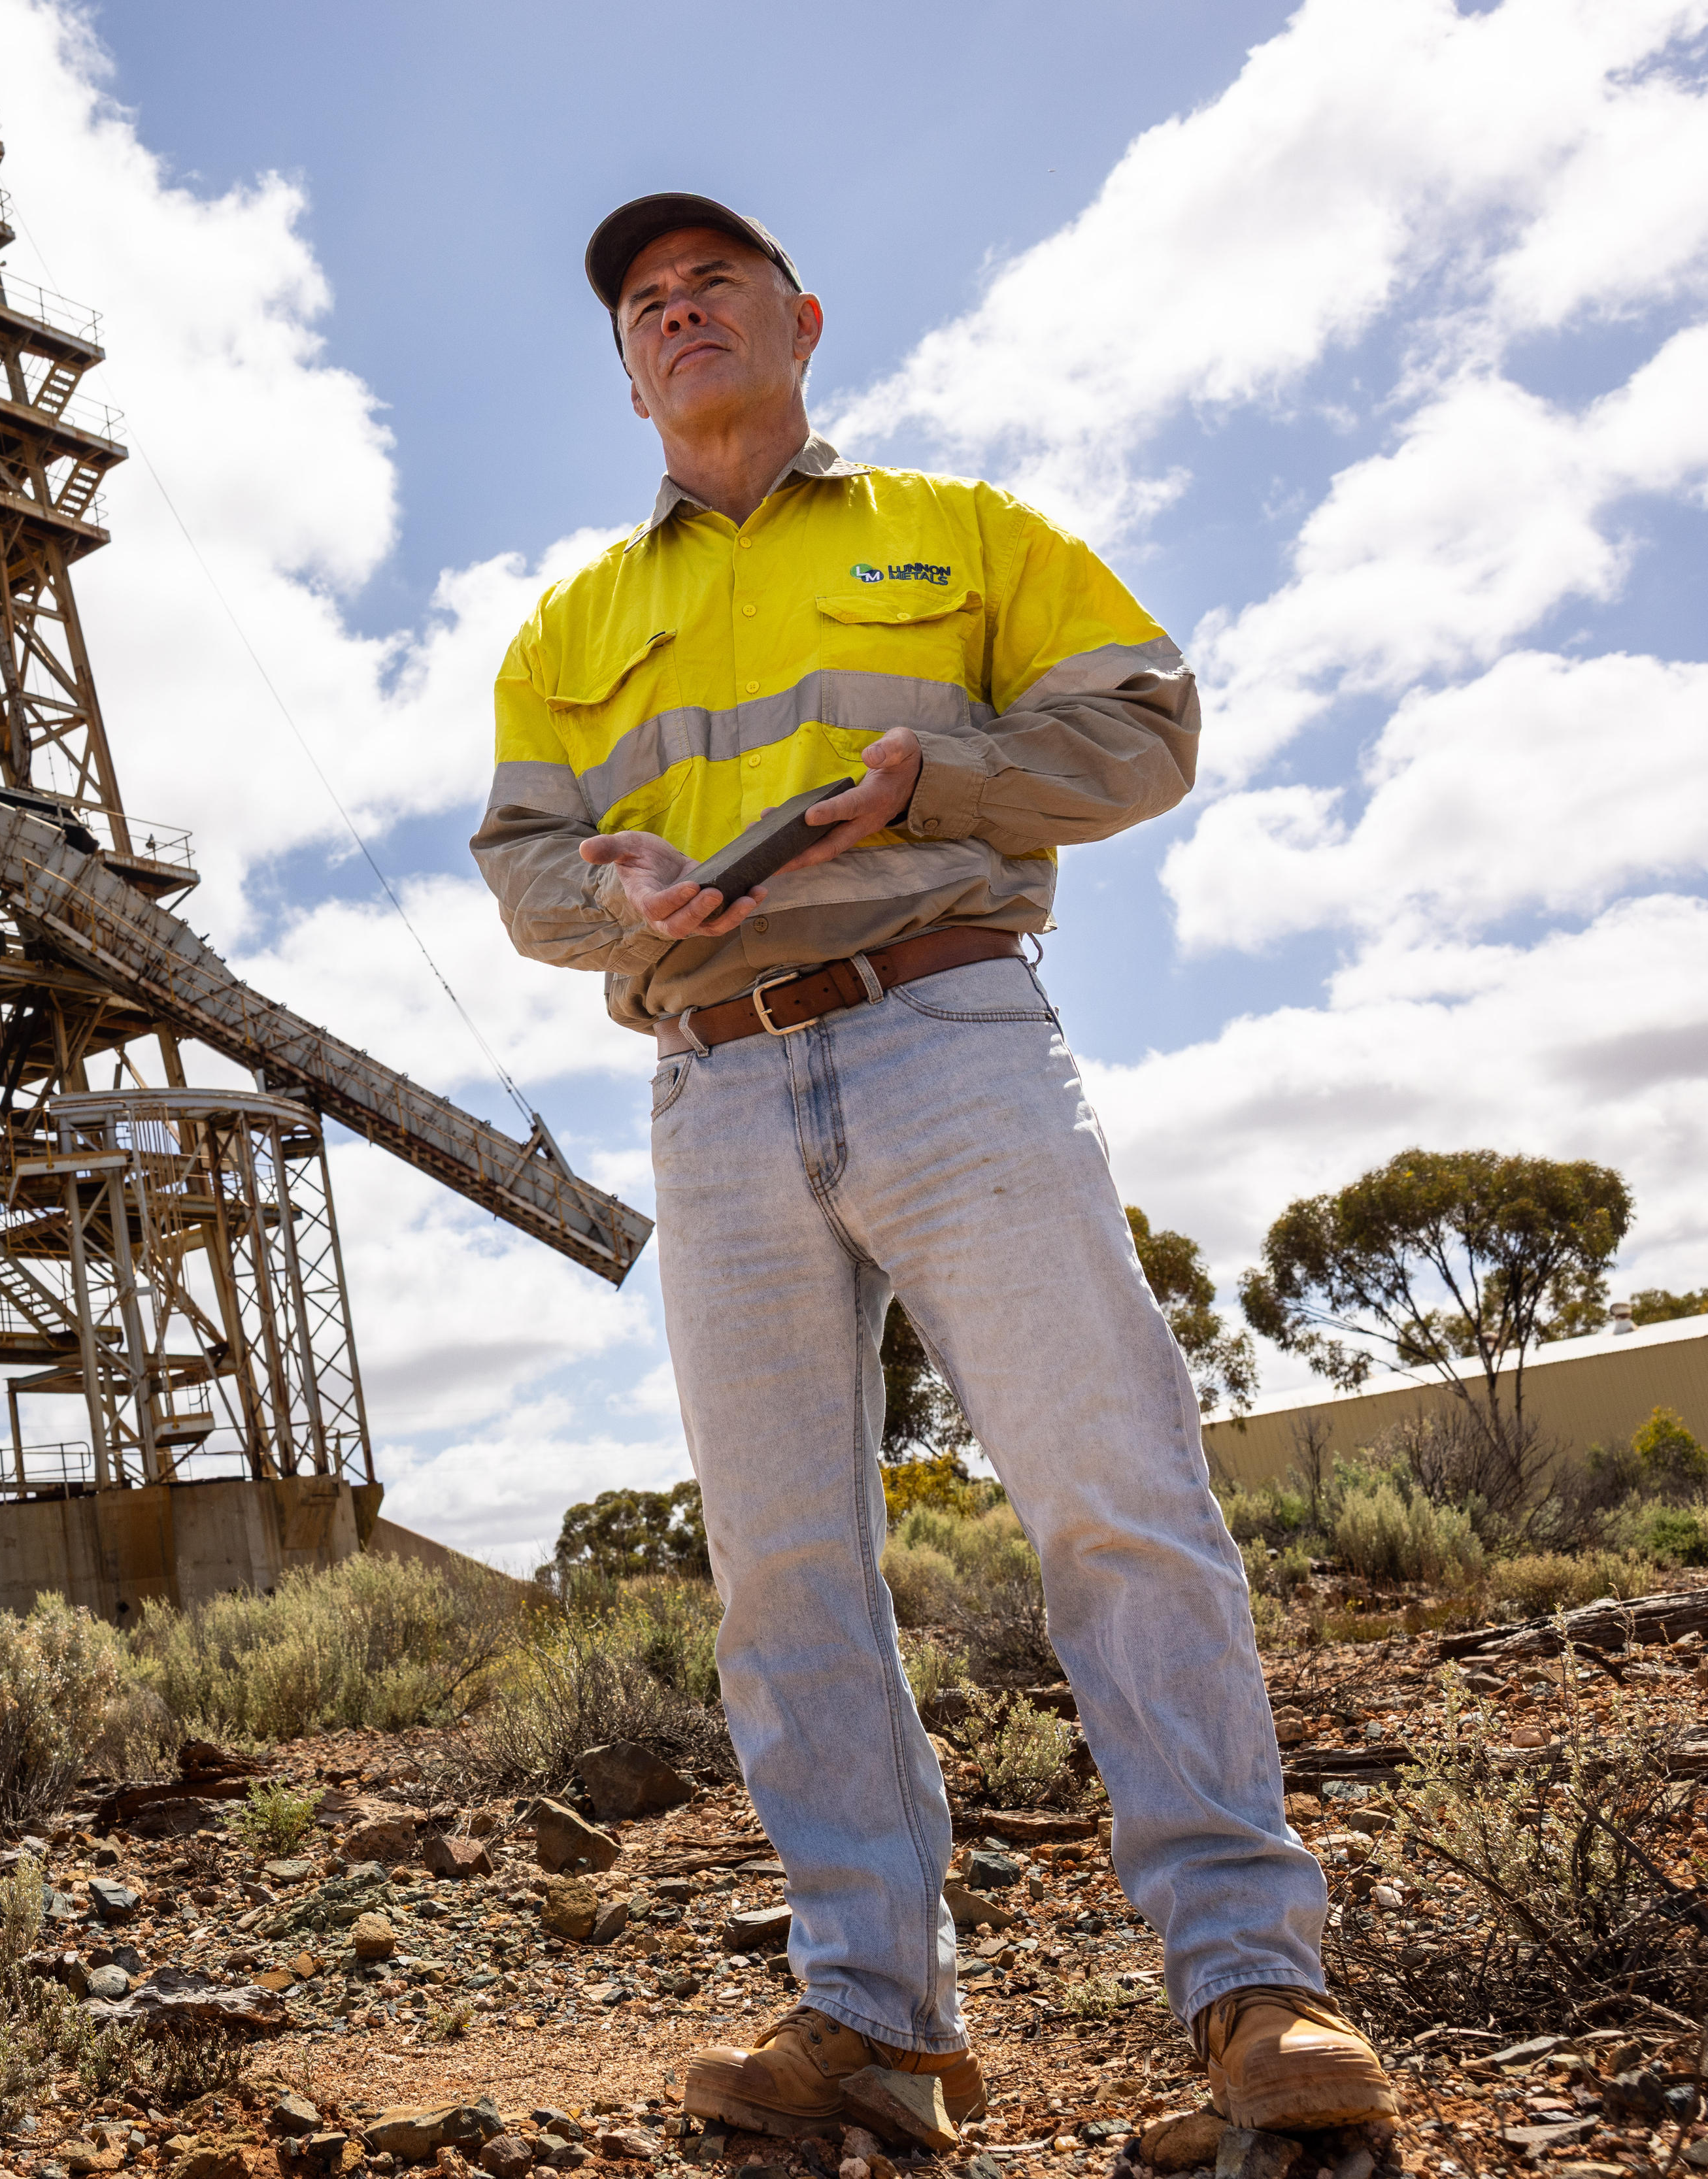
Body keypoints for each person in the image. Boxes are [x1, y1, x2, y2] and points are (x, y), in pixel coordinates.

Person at [468, 193, 1400, 2141]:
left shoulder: (959, 537)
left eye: (713, 282)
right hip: (713, 1087)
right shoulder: (569, 626)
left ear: (799, 319)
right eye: (645, 303)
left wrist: (938, 784)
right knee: (785, 1575)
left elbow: (1146, 725)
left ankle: (1255, 1992)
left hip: (945, 1029)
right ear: (625, 368)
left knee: (1110, 1493)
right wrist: (605, 888)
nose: (679, 312)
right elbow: (520, 862)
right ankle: (876, 2029)